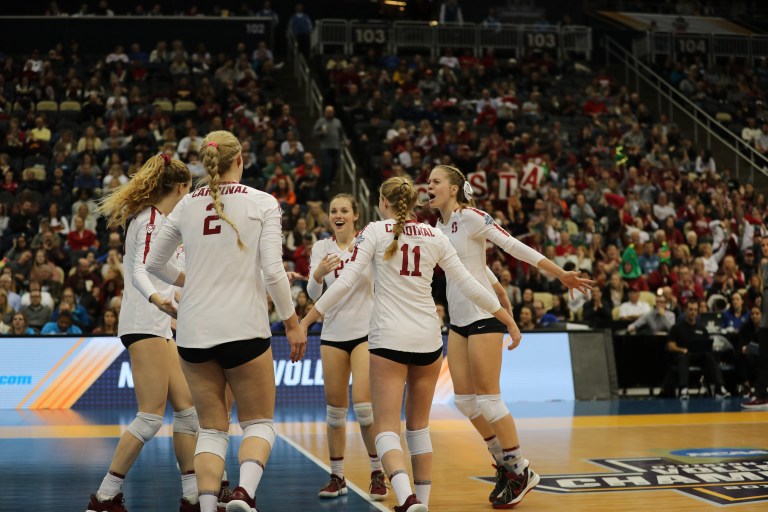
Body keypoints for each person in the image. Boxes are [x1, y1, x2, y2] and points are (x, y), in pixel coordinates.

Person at [300, 176, 523, 512]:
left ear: (383, 202)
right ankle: (424, 503)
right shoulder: (435, 234)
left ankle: (407, 498)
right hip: (429, 341)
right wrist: (506, 317)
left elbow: (344, 283)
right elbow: (469, 283)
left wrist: (304, 321)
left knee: (386, 429)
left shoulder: (374, 231)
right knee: (419, 428)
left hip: (389, 339)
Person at [144, 130, 306, 512]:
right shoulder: (263, 202)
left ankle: (205, 504)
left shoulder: (186, 205)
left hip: (193, 333)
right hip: (243, 329)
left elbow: (153, 264)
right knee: (258, 423)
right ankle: (244, 494)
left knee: (212, 429)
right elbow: (272, 270)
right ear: (240, 160)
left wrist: (192, 278)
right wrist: (292, 321)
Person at [427, 164, 592, 509]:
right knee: (465, 402)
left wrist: (559, 273)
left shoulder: (472, 216)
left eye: (435, 181)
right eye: (428, 181)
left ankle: (520, 468)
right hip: (458, 321)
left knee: (488, 400)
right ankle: (504, 463)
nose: (429, 186)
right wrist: (501, 289)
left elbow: (513, 246)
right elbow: (471, 263)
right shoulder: (439, 226)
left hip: (484, 317)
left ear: (454, 189)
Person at [86, 153, 200, 512]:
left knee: (187, 412)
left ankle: (193, 495)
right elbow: (140, 270)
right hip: (145, 322)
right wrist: (159, 299)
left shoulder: (162, 220)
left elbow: (167, 273)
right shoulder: (150, 219)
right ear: (181, 187)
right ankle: (104, 496)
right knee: (150, 416)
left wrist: (191, 290)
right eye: (189, 191)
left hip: (159, 325)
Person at [306, 194, 387, 501]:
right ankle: (337, 477)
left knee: (365, 410)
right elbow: (314, 293)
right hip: (333, 334)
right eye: (333, 211)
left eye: (344, 211)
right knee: (334, 413)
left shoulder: (368, 243)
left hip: (365, 333)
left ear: (355, 216)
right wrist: (318, 273)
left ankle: (377, 471)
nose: (338, 215)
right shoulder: (321, 248)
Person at [667, 301, 730, 400]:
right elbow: (671, 346)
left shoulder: (702, 328)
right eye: (691, 309)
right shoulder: (677, 327)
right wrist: (682, 349)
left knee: (710, 357)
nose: (693, 312)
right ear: (685, 310)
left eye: (695, 310)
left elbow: (707, 344)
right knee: (683, 358)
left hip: (699, 356)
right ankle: (683, 389)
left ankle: (720, 388)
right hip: (684, 356)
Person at [743, 237, 768, 410]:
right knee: (764, 358)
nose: (765, 247)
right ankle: (761, 395)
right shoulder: (763, 264)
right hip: (766, 318)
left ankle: (761, 395)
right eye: (764, 245)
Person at [312, 106, 344, 190]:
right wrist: (321, 132)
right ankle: (326, 183)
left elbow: (341, 133)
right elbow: (314, 133)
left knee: (336, 164)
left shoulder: (337, 122)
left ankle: (332, 179)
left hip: (336, 146)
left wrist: (344, 140)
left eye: (331, 112)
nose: (329, 113)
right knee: (327, 165)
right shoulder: (321, 121)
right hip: (325, 147)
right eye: (328, 112)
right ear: (325, 112)